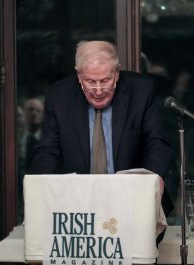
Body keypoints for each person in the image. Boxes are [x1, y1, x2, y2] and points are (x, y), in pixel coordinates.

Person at [30, 40, 173, 218]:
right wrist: (42, 189)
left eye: (105, 80)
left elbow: (156, 142)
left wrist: (152, 179)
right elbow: (47, 150)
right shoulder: (58, 96)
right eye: (90, 81)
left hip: (134, 202)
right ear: (79, 75)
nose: (98, 90)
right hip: (76, 205)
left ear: (117, 73)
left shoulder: (142, 89)